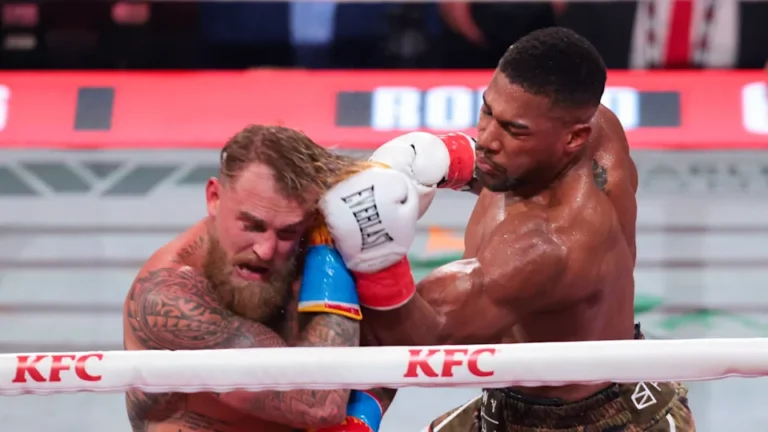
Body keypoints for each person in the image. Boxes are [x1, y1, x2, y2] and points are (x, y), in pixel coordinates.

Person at [319, 27, 695, 431]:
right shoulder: (592, 125)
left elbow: (418, 339)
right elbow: (528, 172)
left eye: (514, 130)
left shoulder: (547, 246)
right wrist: (450, 160)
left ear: (574, 138)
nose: (486, 140)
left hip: (589, 422)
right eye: (487, 111)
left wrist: (378, 255)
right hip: (545, 395)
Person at [122, 124, 413, 432]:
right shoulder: (168, 296)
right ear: (214, 197)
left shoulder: (304, 252)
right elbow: (319, 405)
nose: (265, 250)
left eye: (287, 232)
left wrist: (378, 251)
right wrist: (330, 257)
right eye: (252, 225)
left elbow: (407, 340)